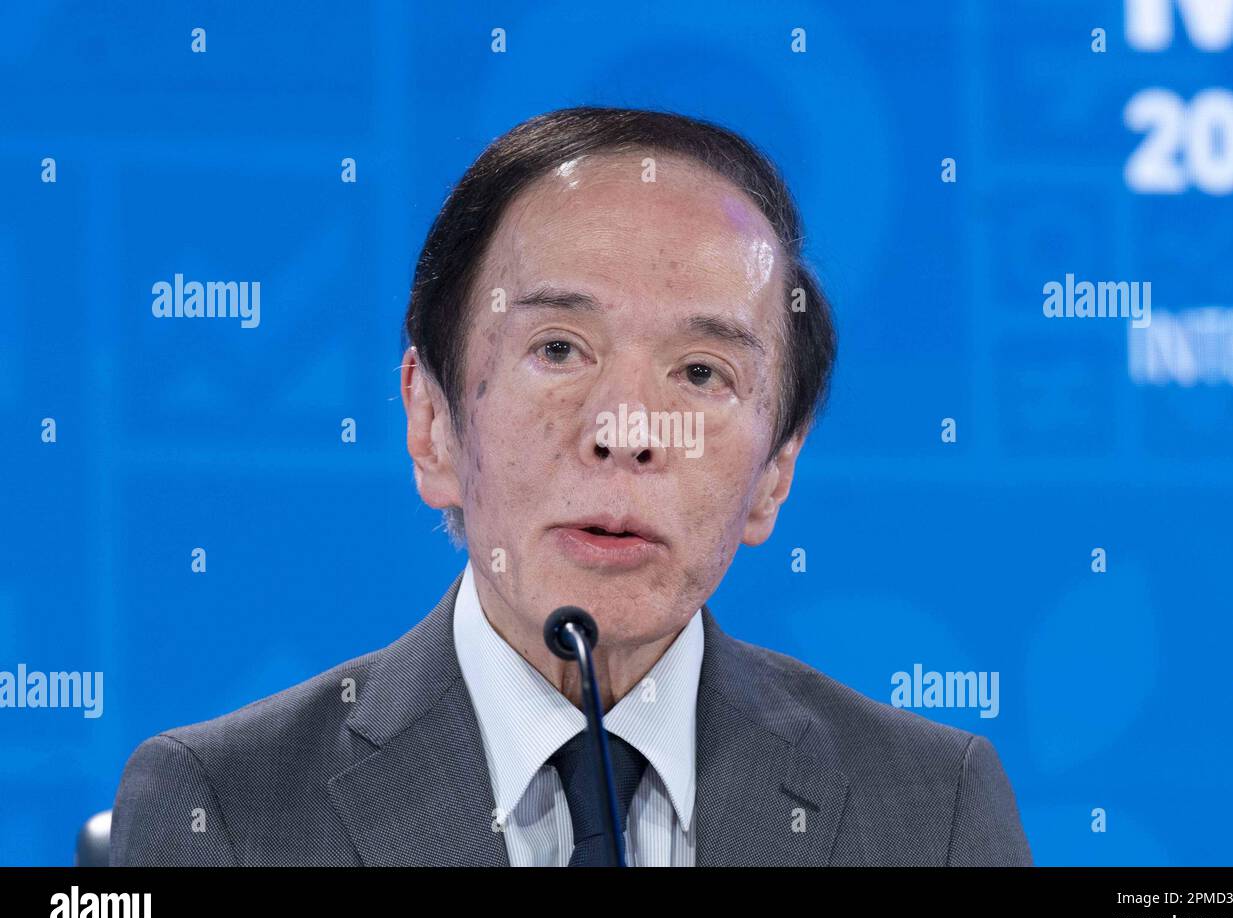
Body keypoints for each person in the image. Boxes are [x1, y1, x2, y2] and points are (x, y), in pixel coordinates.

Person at [109, 106, 1032, 866]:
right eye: (558, 350)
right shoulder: (226, 808)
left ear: (775, 472)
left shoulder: (930, 811)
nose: (626, 431)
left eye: (702, 374)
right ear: (431, 422)